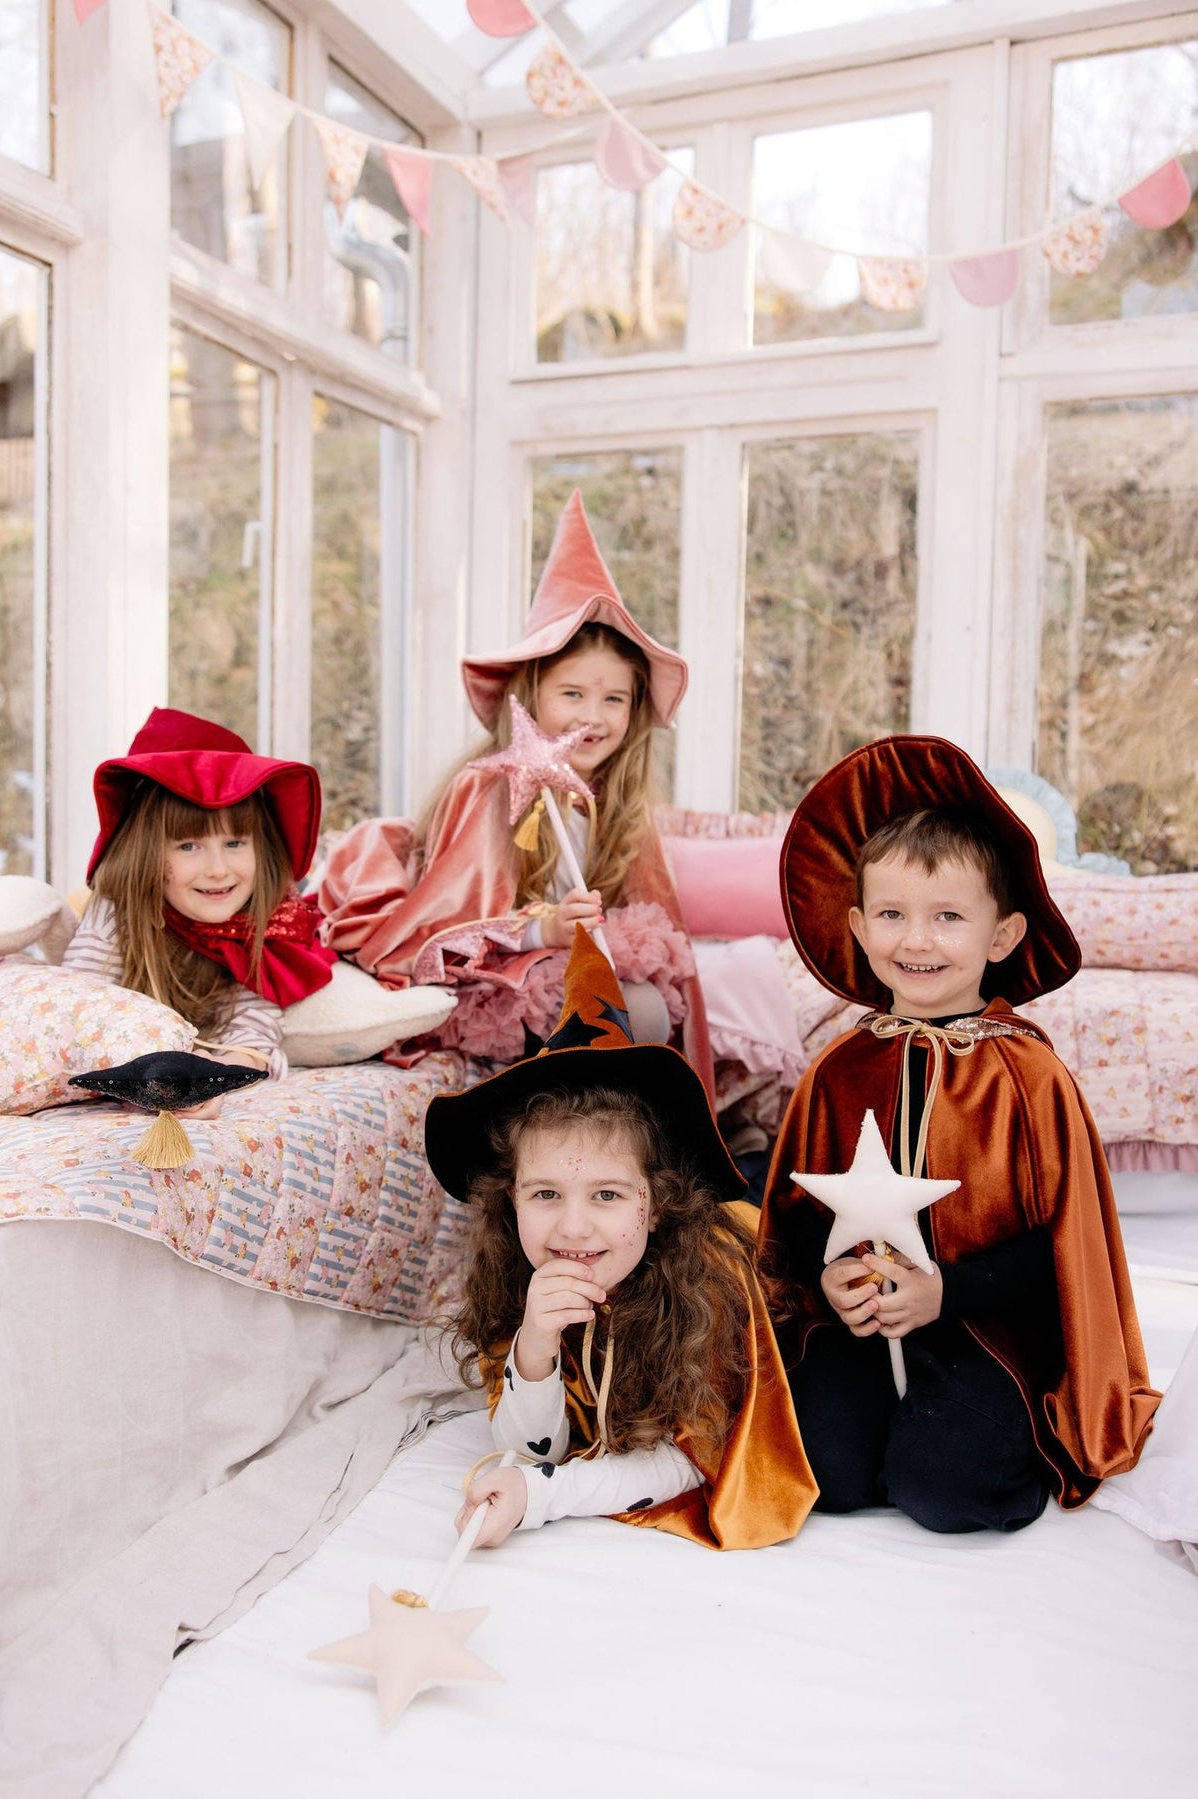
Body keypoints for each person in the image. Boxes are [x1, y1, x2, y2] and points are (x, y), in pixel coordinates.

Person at [759, 735, 1159, 1533]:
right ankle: (894, 1423)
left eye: (948, 917)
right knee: (822, 1471)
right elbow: (797, 1217)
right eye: (894, 915)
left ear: (1001, 935)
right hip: (867, 1321)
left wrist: (947, 1290)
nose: (917, 940)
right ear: (860, 928)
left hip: (989, 1323)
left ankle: (993, 1434)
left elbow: (1060, 1250)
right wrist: (832, 1279)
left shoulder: (1027, 1076)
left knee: (941, 1490)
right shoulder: (840, 1068)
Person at [424, 925, 816, 1549]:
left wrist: (543, 1498)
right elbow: (534, 1448)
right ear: (512, 1197)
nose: (573, 1229)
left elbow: (686, 1460)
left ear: (656, 1204)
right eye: (546, 1194)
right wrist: (536, 1344)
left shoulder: (704, 1284)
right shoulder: (521, 1270)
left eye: (607, 1195)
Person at [319, 490, 713, 1090]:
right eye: (572, 695)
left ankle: (627, 1143)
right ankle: (565, 1134)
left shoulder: (612, 799)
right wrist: (543, 930)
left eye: (615, 700)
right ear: (529, 697)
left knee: (651, 1008)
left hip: (570, 968)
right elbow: (449, 919)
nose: (594, 717)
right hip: (498, 976)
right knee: (634, 1014)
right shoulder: (487, 789)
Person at [64, 707, 334, 1101]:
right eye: (189, 846)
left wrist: (217, 1076)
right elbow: (81, 1010)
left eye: (234, 843)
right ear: (147, 854)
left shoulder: (266, 921)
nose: (218, 870)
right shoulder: (116, 913)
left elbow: (254, 1023)